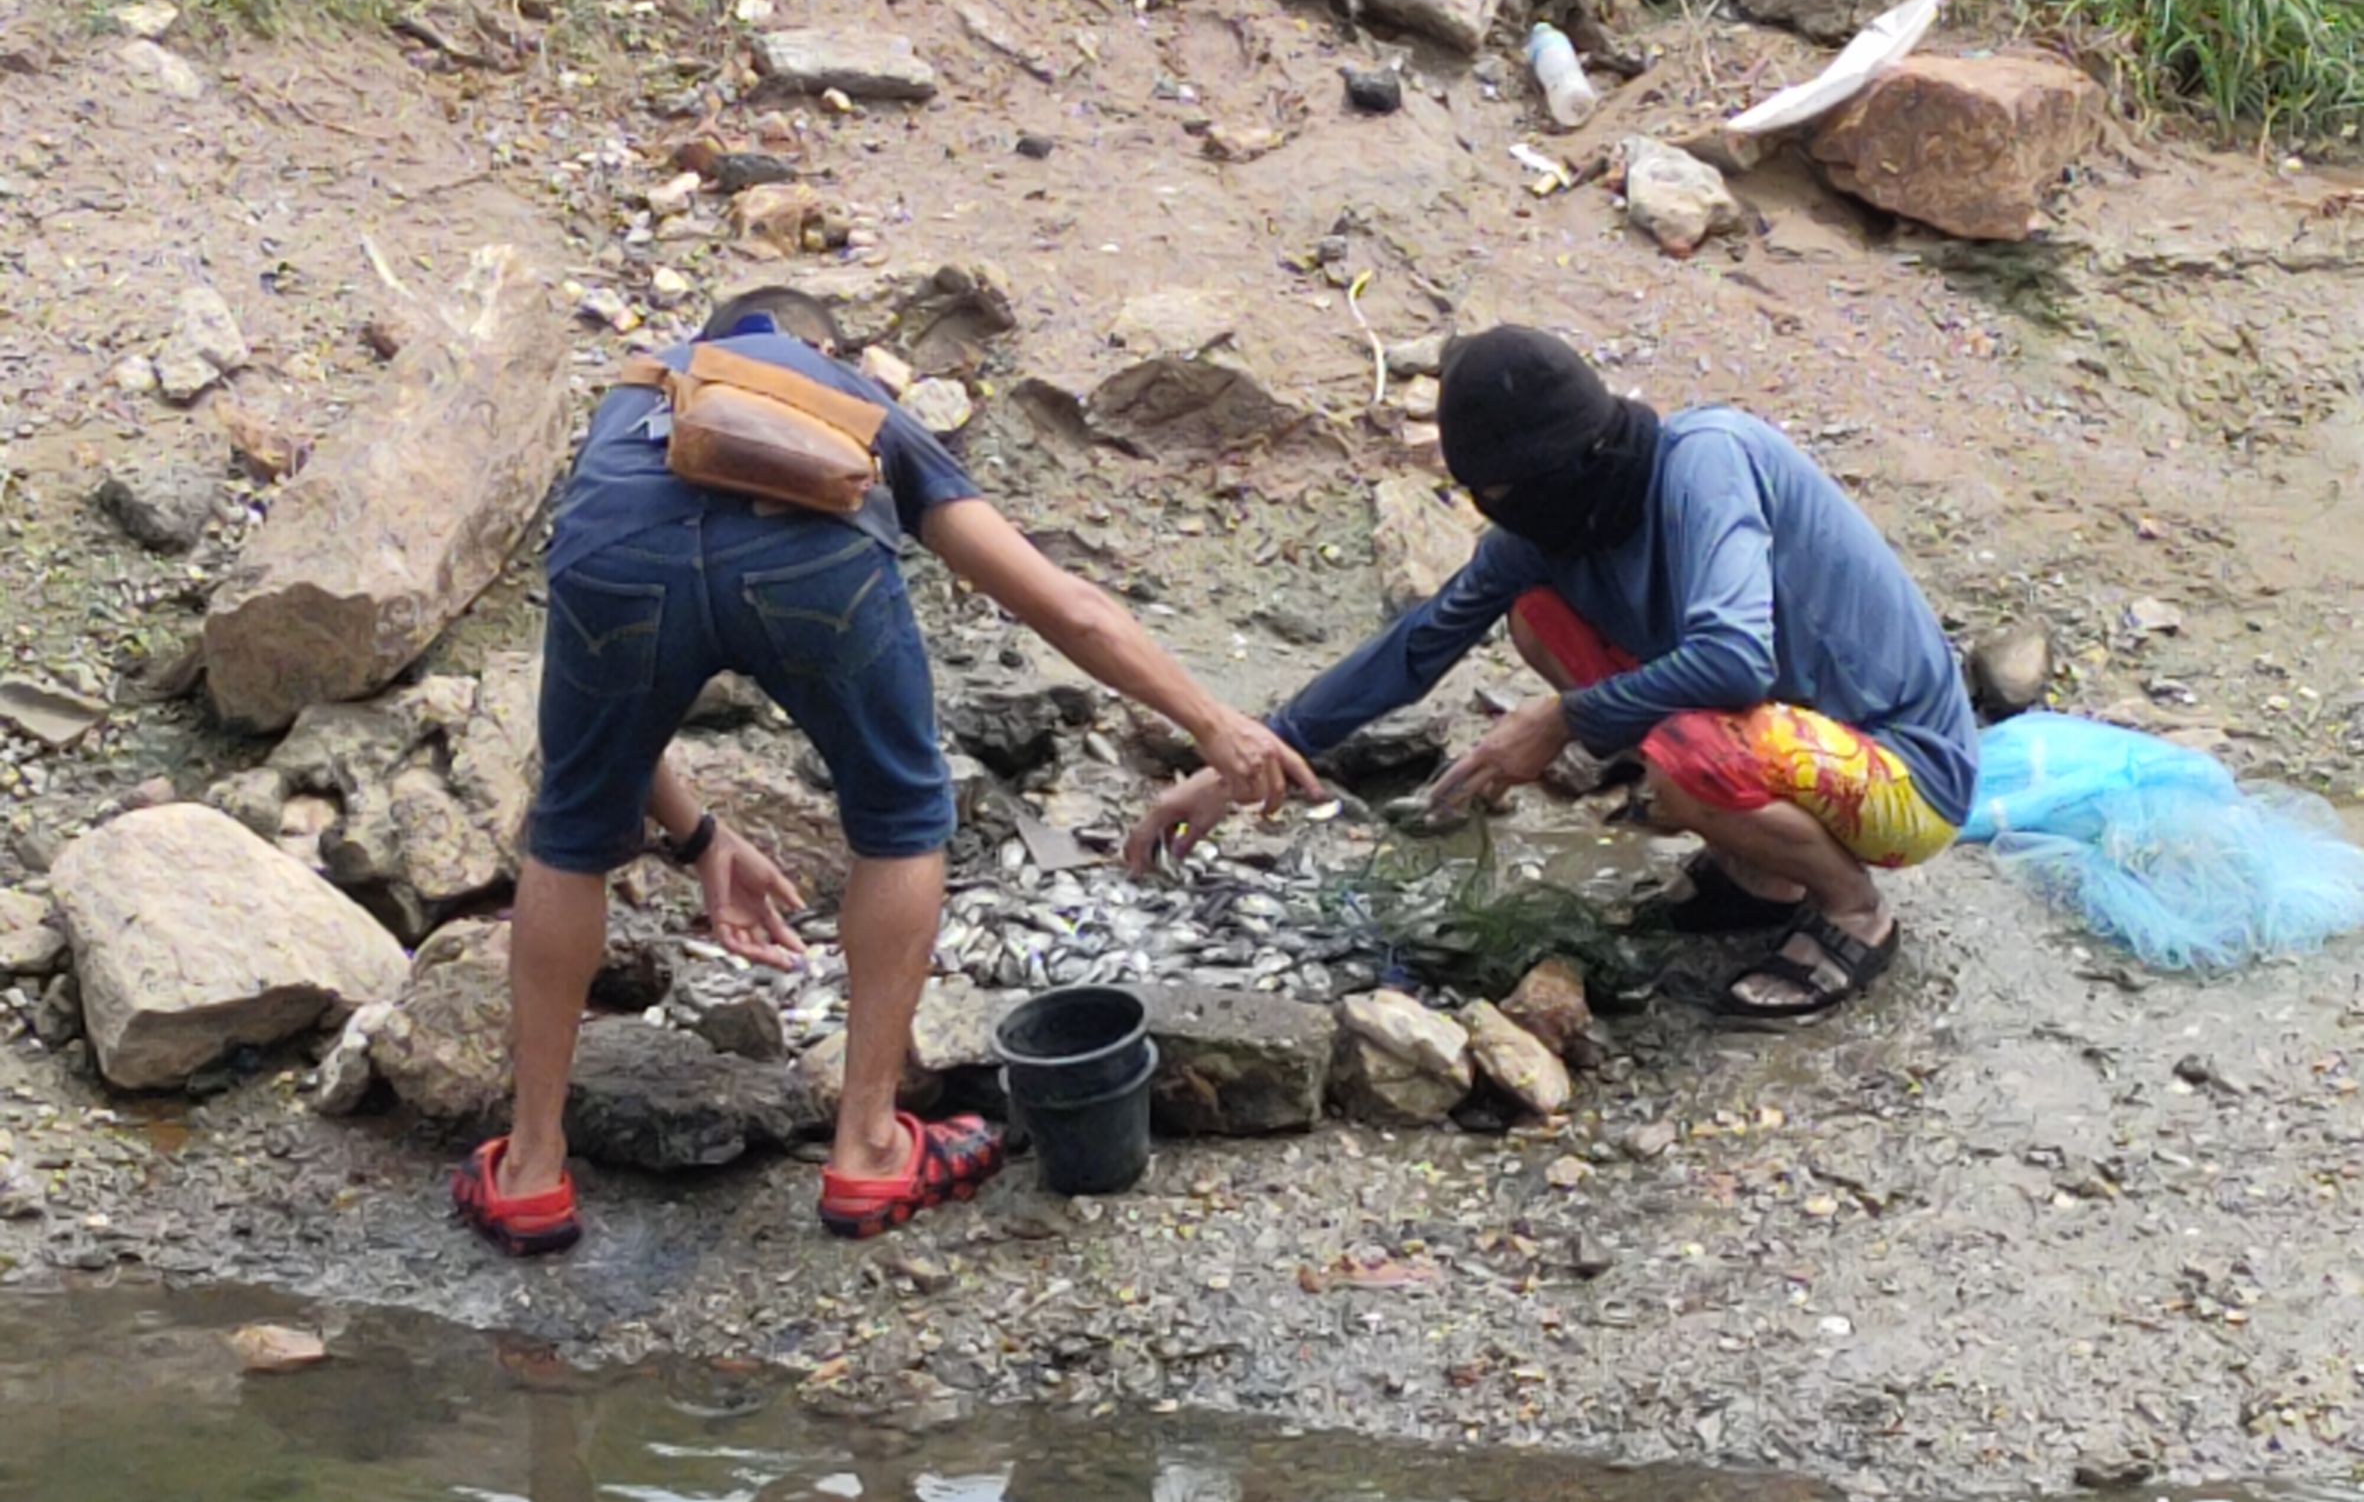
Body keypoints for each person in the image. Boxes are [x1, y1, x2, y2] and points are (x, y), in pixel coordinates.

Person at [453, 286, 1316, 1254]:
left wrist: (697, 836)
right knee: (901, 816)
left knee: (567, 837)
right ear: (820, 343)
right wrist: (1211, 722)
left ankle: (530, 1171)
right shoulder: (850, 399)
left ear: (708, 338)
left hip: (614, 563)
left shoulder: (626, 403)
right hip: (811, 567)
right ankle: (867, 1149)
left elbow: (604, 719)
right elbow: (1061, 604)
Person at [1125, 325, 1977, 1024]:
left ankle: (1851, 909)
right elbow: (1417, 646)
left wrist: (1562, 719)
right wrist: (1239, 759)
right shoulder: (1546, 527)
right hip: (1785, 738)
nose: (1499, 512)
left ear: (1569, 462)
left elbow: (1736, 660)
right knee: (1535, 612)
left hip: (1907, 779)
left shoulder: (1705, 463)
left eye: (1504, 490)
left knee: (1684, 757)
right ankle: (1763, 872)